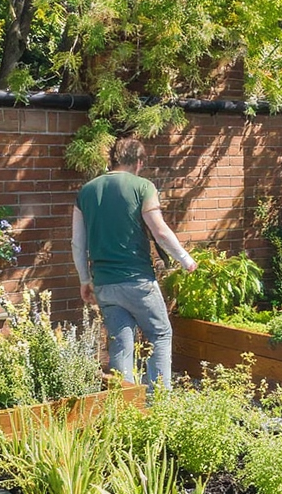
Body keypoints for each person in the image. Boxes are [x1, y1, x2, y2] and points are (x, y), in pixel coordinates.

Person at [71, 137, 195, 390]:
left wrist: (85, 280)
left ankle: (123, 406)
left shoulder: (86, 191)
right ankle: (158, 404)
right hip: (137, 280)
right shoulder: (142, 186)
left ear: (113, 159)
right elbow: (159, 231)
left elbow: (76, 242)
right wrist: (185, 259)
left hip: (104, 283)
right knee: (160, 335)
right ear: (139, 162)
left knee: (121, 342)